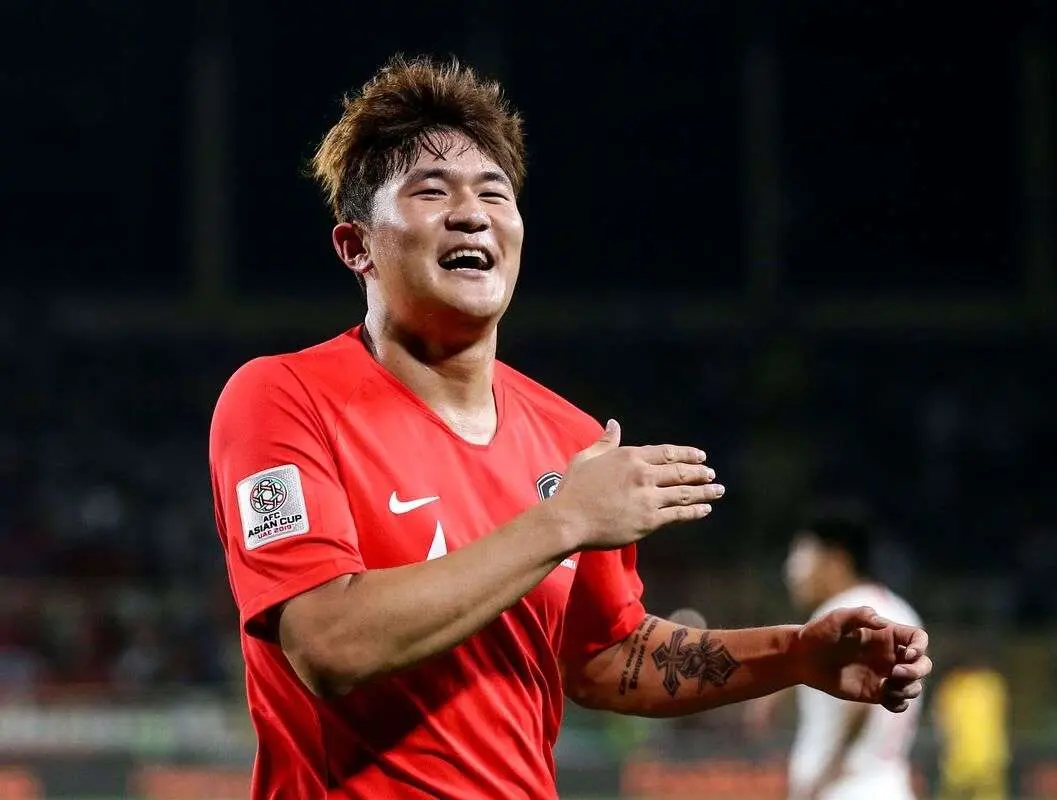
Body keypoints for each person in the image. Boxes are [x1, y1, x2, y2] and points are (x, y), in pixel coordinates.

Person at [208, 55, 933, 799]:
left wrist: (795, 656)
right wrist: (565, 521)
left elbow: (606, 656)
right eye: (432, 191)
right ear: (356, 245)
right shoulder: (283, 397)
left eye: (494, 192)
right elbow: (329, 643)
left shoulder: (568, 438)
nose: (472, 212)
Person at [744, 504, 925, 800]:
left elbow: (864, 702)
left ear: (837, 561)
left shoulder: (841, 615)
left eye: (802, 557)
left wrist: (823, 779)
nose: (792, 572)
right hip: (889, 784)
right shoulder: (901, 611)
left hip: (845, 789)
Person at [932, 652, 1009, 800]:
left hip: (961, 761)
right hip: (988, 760)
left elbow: (941, 723)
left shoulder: (953, 685)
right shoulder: (992, 683)